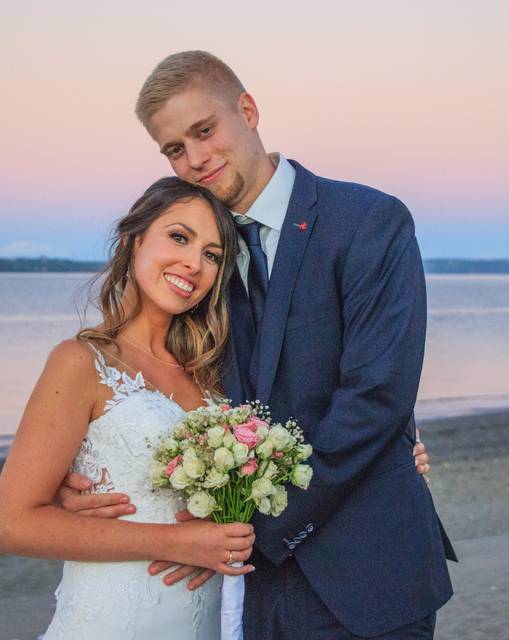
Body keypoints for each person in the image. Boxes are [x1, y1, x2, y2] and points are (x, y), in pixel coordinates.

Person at [59, 51, 456, 639]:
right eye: (173, 148)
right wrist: (94, 478)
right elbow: (168, 382)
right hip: (248, 591)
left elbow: (377, 396)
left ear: (247, 110)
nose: (195, 158)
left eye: (204, 130)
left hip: (367, 571)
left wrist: (258, 529)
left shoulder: (368, 220)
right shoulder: (194, 264)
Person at [0, 177, 257, 639]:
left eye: (212, 255)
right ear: (134, 240)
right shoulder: (81, 362)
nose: (193, 263)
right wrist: (180, 543)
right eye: (179, 237)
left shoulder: (214, 377)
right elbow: (11, 525)